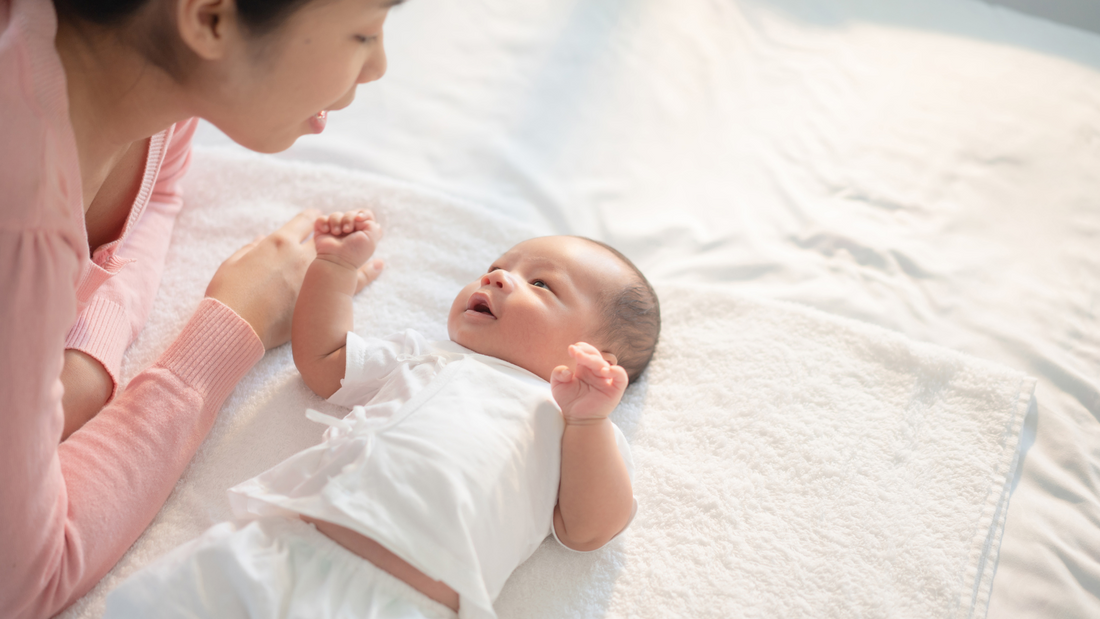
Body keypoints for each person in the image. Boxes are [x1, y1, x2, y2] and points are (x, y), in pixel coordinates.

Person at [0, 1, 401, 617]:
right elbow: (23, 580)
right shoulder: (23, 221)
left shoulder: (143, 88)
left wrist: (79, 370)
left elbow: (155, 194)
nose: (377, 66)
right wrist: (226, 328)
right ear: (211, 19)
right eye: (364, 32)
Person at [102, 214, 662, 619]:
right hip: (282, 549)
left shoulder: (577, 423)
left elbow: (589, 530)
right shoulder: (427, 355)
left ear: (595, 360)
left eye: (540, 284)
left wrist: (589, 421)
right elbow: (324, 364)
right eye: (495, 267)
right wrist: (333, 270)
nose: (495, 277)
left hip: (406, 601)